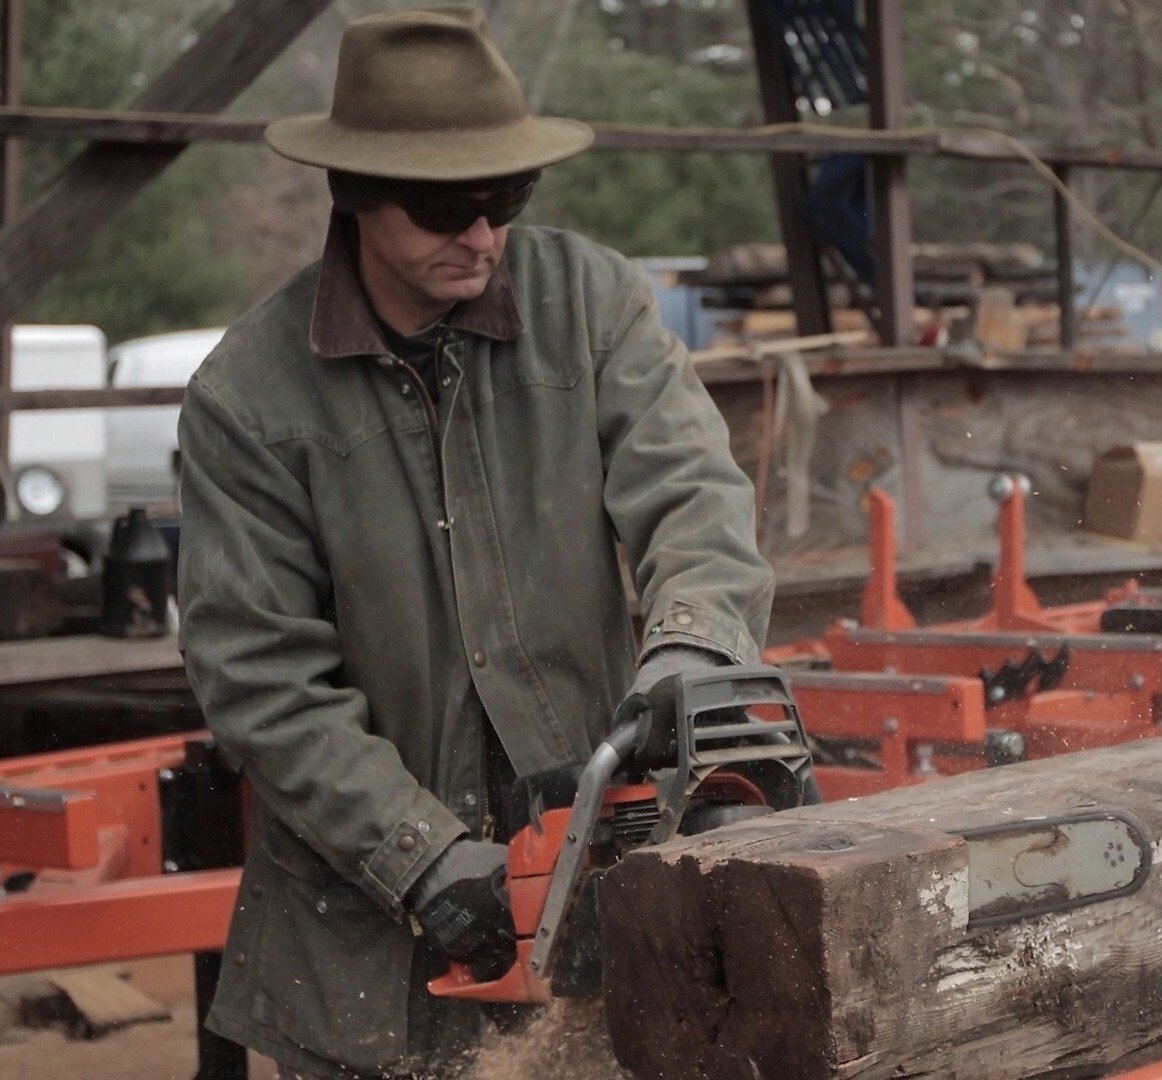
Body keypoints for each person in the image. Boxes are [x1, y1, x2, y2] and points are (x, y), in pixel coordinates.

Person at [175, 7, 771, 1076]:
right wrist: (423, 859)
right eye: (448, 207)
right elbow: (259, 676)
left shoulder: (589, 304)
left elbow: (695, 496)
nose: (482, 236)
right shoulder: (247, 398)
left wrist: (695, 648)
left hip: (600, 904)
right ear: (354, 192)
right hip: (368, 965)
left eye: (504, 199)